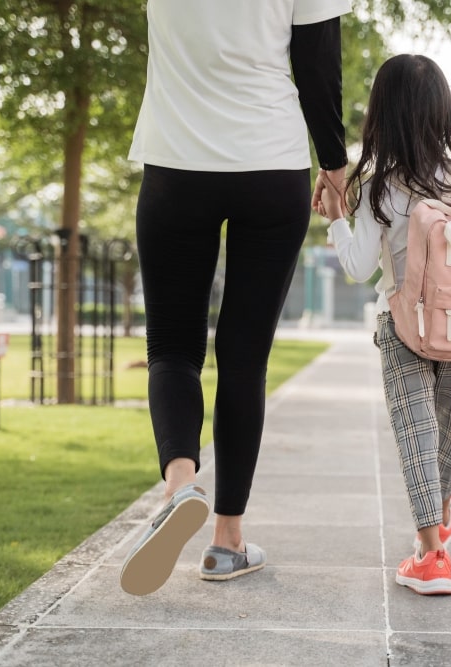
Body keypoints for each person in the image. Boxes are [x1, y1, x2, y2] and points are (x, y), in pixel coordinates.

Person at [119, 0, 352, 596]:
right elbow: (319, 63)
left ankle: (180, 484)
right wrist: (334, 165)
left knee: (172, 348)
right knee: (244, 358)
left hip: (175, 165)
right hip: (270, 166)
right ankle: (227, 543)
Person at [318, 54, 451, 596]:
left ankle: (432, 556)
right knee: (449, 426)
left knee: (416, 432)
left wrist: (336, 216)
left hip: (404, 326)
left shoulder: (380, 183)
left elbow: (360, 268)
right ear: (443, 111)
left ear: (382, 112)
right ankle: (435, 531)